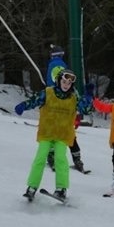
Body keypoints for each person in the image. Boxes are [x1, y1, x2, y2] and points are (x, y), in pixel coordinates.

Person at [14, 67, 80, 202]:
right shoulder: (48, 93)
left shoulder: (74, 97)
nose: (66, 85)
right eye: (64, 82)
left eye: (69, 83)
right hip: (47, 133)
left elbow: (86, 108)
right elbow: (34, 101)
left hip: (63, 135)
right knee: (40, 158)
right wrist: (23, 105)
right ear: (58, 81)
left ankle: (61, 189)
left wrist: (89, 98)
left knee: (60, 159)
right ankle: (32, 187)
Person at [45, 45, 89, 174]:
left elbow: (51, 84)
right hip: (66, 111)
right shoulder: (63, 66)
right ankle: (77, 159)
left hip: (55, 108)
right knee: (70, 136)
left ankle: (52, 157)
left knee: (53, 134)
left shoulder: (52, 66)